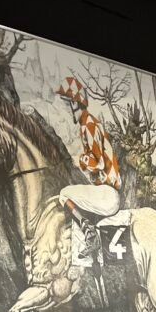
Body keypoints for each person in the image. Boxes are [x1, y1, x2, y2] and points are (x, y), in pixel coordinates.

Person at [54, 76, 122, 259]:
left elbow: (98, 162)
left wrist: (80, 160)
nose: (65, 110)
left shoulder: (89, 124)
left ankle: (90, 235)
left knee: (64, 194)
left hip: (107, 194)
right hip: (106, 192)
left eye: (66, 104)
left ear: (74, 104)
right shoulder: (88, 123)